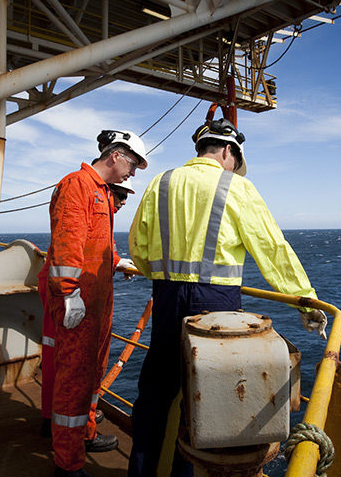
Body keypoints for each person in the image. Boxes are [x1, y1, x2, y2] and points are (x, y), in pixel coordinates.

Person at [127, 118, 327, 477]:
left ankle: (142, 472)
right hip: (215, 303)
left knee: (156, 394)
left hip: (167, 294)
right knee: (206, 393)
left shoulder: (161, 182)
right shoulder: (237, 188)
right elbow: (272, 249)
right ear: (228, 151)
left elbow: (137, 246)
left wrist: (161, 274)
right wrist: (304, 299)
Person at [40, 130, 147, 477]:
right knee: (73, 380)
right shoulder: (77, 185)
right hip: (79, 303)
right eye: (132, 164)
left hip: (97, 302)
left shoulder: (100, 192)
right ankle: (67, 464)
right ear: (115, 155)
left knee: (92, 374)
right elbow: (67, 244)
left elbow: (95, 243)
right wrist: (68, 293)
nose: (132, 173)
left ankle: (84, 434)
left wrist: (118, 262)